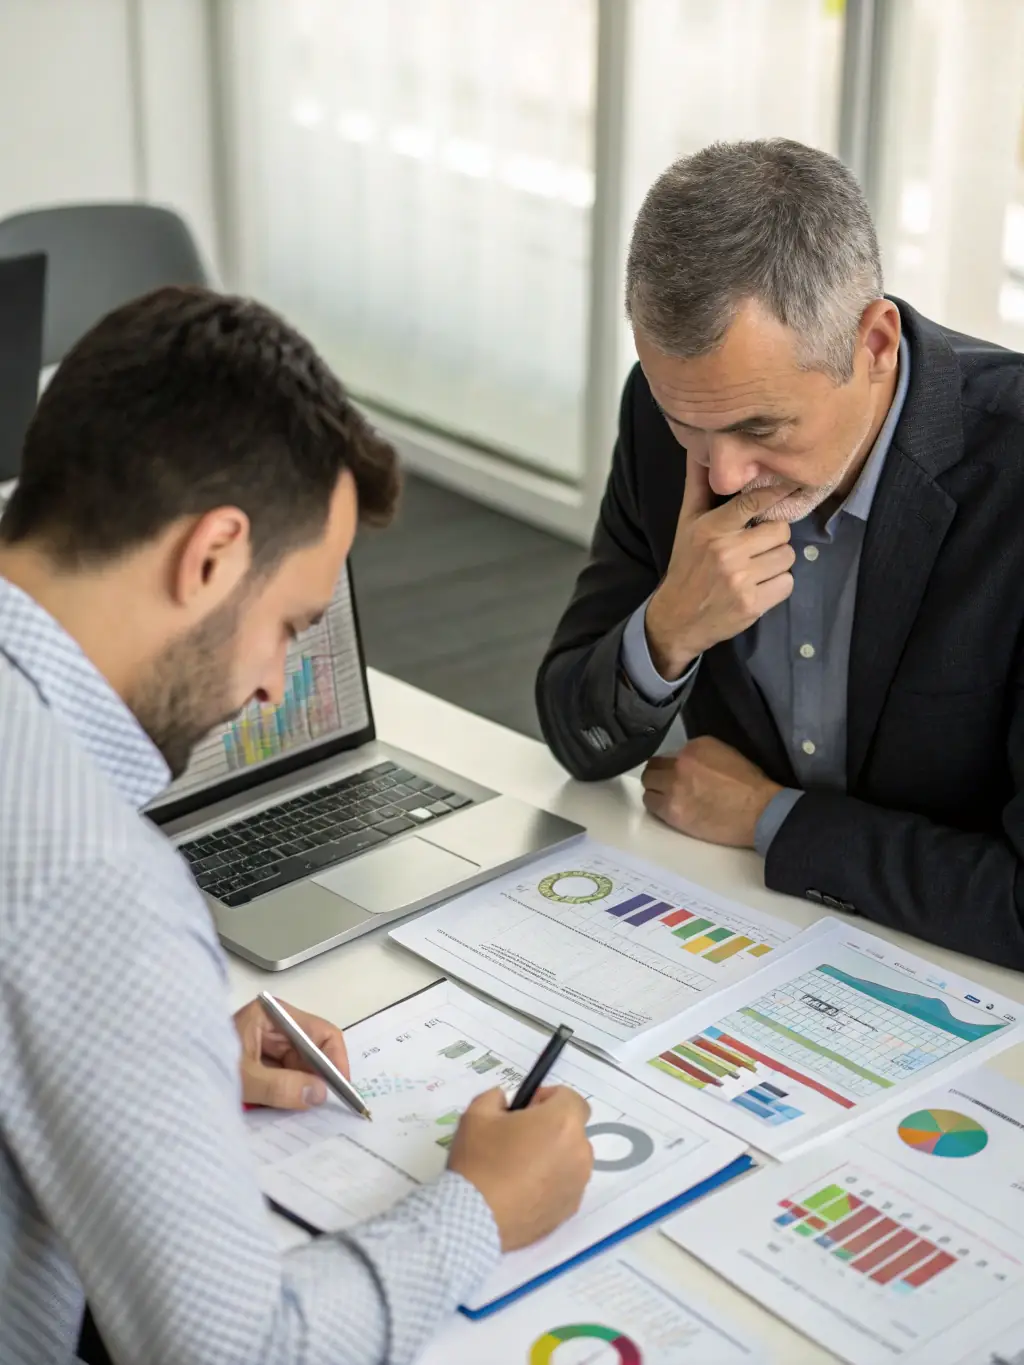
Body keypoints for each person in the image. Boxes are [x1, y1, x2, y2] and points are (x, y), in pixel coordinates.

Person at [0, 286, 594, 1365]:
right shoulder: (93, 879)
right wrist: (480, 1208)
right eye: (289, 626)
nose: (277, 685)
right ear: (213, 555)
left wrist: (147, 1066)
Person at [538, 137, 1024, 970]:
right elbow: (578, 737)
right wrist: (667, 631)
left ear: (875, 344)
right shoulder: (669, 420)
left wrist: (771, 817)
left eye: (761, 429)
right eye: (688, 423)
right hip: (735, 936)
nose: (722, 473)